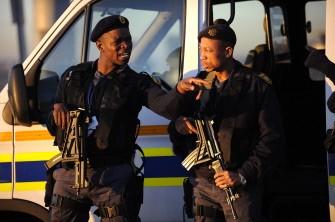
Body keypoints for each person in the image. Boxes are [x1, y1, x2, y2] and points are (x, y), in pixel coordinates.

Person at [46, 15, 209, 222]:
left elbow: (167, 107)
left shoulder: (136, 82)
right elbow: (54, 124)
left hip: (113, 176)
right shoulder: (73, 76)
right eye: (118, 42)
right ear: (100, 45)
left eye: (128, 40)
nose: (126, 46)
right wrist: (55, 110)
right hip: (69, 174)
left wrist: (178, 89)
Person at [168, 23, 285, 221]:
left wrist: (242, 174)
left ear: (228, 51)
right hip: (203, 184)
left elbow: (273, 138)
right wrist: (179, 124)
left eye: (208, 50)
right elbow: (176, 125)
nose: (202, 56)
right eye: (200, 50)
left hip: (238, 186)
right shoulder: (199, 83)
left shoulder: (255, 85)